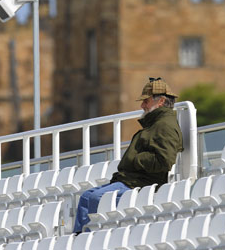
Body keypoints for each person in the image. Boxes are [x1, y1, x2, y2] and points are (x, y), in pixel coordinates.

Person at [73, 77, 184, 234]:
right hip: (130, 181)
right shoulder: (156, 125)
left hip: (141, 184)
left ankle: (93, 238)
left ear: (160, 101)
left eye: (146, 101)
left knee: (96, 198)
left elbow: (164, 161)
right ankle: (81, 239)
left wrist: (134, 159)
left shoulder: (164, 126)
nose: (142, 105)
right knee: (86, 197)